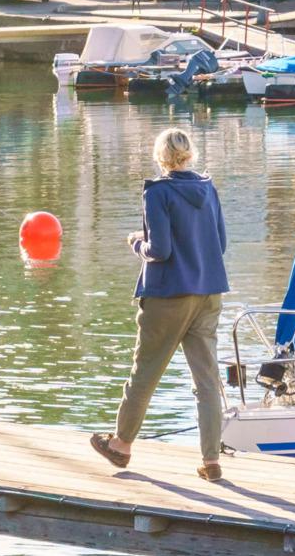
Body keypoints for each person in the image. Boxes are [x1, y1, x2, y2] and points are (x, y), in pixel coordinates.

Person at [91, 126, 233, 482]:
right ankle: (211, 460)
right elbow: (221, 243)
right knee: (207, 381)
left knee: (146, 373)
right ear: (190, 154)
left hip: (168, 295)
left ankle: (121, 446)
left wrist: (136, 242)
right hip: (208, 292)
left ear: (160, 157)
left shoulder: (158, 192)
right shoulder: (208, 187)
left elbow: (160, 251)